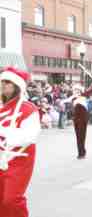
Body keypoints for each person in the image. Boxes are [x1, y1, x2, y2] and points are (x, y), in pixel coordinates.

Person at [0, 67, 41, 217]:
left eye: (8, 82)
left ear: (17, 86)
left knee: (11, 200)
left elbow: (30, 136)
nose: (3, 85)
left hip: (18, 161)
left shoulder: (28, 109)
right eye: (2, 81)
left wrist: (3, 131)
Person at [64, 84, 92, 159]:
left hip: (83, 119)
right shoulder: (72, 98)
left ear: (80, 91)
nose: (76, 91)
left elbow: (89, 91)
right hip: (76, 120)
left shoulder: (83, 95)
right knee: (78, 137)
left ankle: (82, 153)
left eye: (78, 90)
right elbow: (65, 101)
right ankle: (80, 152)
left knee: (82, 136)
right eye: (75, 90)